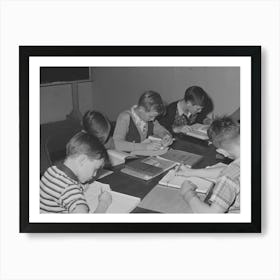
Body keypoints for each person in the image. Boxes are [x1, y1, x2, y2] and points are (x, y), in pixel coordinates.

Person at [178, 116, 240, 213]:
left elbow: (211, 215)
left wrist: (187, 193)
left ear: (221, 151)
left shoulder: (228, 177)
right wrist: (190, 172)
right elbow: (227, 170)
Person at [40, 132, 112, 213]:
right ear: (82, 160)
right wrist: (103, 203)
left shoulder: (51, 170)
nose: (95, 174)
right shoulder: (69, 190)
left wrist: (81, 186)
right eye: (95, 169)